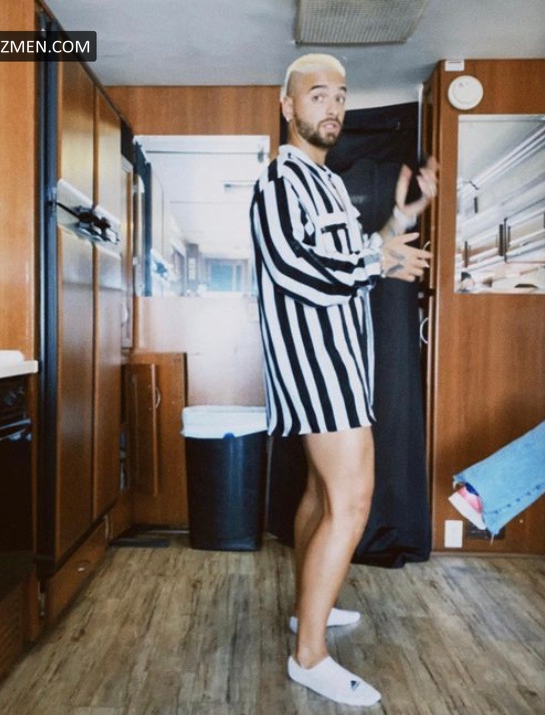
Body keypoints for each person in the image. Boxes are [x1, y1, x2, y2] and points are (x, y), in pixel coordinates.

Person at [249, 54, 437, 706]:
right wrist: (378, 258)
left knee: (321, 492)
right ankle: (309, 657)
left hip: (340, 364)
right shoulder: (280, 181)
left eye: (340, 96)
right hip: (316, 366)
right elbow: (295, 268)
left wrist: (402, 219)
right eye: (317, 94)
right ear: (288, 105)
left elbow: (357, 255)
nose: (332, 107)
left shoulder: (325, 182)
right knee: (352, 501)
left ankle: (310, 612)